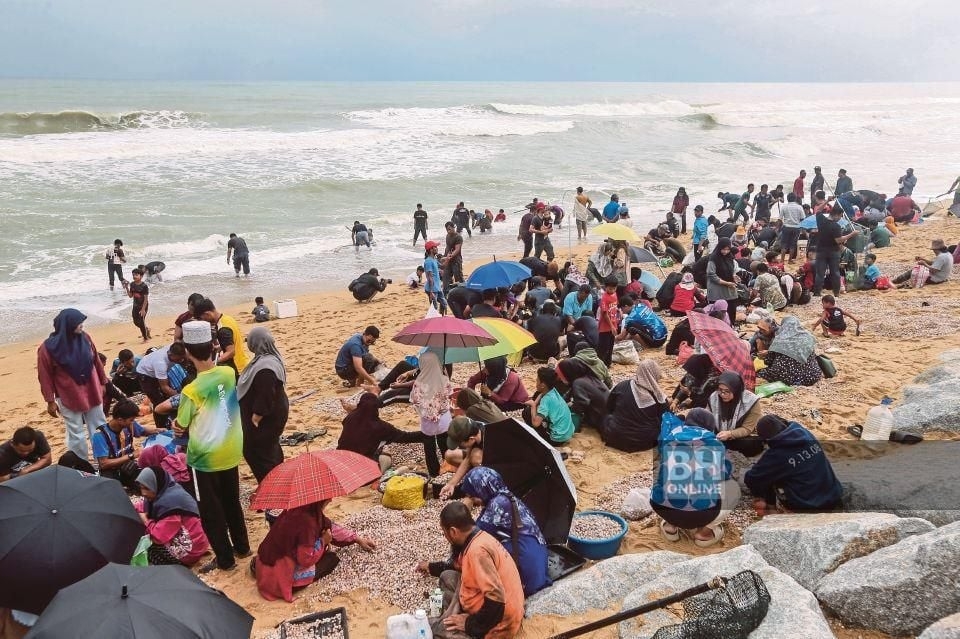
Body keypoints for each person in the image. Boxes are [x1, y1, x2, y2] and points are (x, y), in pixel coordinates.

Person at [173, 320, 249, 573]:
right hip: (231, 450)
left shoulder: (192, 390)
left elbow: (181, 423)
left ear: (187, 352)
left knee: (210, 510)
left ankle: (226, 559)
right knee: (231, 501)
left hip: (205, 458)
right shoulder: (228, 373)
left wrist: (177, 425)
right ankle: (242, 547)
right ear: (213, 346)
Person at [418, 501, 524, 639]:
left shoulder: (477, 552)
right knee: (447, 577)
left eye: (445, 533)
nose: (446, 537)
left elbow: (497, 600)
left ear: (453, 531)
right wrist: (430, 567)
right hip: (496, 604)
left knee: (438, 630)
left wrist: (468, 624)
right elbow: (456, 566)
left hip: (500, 620)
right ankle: (455, 615)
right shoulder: (478, 537)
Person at [253, 500, 376, 603]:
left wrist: (357, 539)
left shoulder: (295, 510)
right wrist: (323, 541)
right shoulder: (308, 522)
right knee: (331, 559)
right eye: (327, 499)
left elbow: (331, 528)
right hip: (279, 579)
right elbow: (305, 559)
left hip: (263, 566)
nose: (331, 500)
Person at [652, 409, 740, 548]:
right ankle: (704, 533)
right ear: (709, 426)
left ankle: (670, 526)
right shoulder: (716, 445)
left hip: (662, 507)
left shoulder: (669, 438)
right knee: (733, 488)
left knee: (666, 480)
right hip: (701, 515)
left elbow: (666, 420)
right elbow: (725, 475)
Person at [459, 467, 551, 598]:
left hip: (527, 569)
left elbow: (471, 537)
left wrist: (463, 511)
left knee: (480, 551)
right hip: (536, 559)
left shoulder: (498, 505)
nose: (473, 501)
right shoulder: (505, 496)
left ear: (482, 489)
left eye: (473, 496)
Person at [37, 308, 108, 461]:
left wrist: (103, 382)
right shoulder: (47, 348)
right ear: (67, 325)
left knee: (99, 426)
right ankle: (81, 463)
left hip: (92, 389)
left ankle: (103, 459)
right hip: (68, 395)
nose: (81, 325)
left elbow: (96, 361)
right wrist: (50, 401)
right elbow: (45, 376)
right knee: (75, 432)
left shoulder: (86, 338)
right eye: (78, 323)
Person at [745, 415, 843, 515]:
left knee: (769, 475)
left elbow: (752, 479)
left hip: (810, 505)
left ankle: (771, 508)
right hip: (834, 494)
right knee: (782, 470)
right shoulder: (804, 433)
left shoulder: (777, 454)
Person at [237, 327, 288, 484]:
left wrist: (257, 416)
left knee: (256, 451)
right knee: (270, 448)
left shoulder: (265, 366)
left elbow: (266, 391)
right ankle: (277, 480)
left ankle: (270, 486)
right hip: (275, 412)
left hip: (266, 418)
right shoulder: (269, 359)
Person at [134, 466, 210, 566]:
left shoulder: (170, 504)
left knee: (146, 546)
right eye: (141, 488)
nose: (143, 493)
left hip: (191, 550)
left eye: (147, 488)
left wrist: (145, 520)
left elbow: (159, 537)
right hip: (198, 542)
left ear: (156, 484)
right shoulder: (166, 491)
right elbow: (143, 505)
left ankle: (180, 565)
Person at [338, 392, 428, 473]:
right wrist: (428, 434)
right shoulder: (380, 427)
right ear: (376, 408)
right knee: (386, 459)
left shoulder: (350, 418)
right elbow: (404, 436)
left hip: (341, 458)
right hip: (362, 466)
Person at [83, 400, 158, 487]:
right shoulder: (100, 435)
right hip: (111, 471)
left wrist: (158, 430)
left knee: (149, 482)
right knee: (111, 489)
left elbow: (143, 431)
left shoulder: (129, 425)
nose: (133, 422)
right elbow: (104, 464)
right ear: (120, 420)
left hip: (128, 466)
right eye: (131, 420)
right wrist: (131, 456)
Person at [599, 360, 667, 452]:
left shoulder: (622, 385)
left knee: (607, 417)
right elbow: (665, 420)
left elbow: (609, 406)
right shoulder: (659, 398)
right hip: (644, 442)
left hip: (615, 437)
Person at [411, 351, 453, 477]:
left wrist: (428, 412)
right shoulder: (445, 379)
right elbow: (448, 396)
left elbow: (415, 401)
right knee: (445, 445)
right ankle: (448, 470)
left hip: (427, 422)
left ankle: (434, 474)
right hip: (444, 421)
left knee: (429, 449)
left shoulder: (418, 383)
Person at [708, 372, 763, 457]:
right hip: (718, 435)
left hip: (739, 436)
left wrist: (730, 434)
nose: (722, 394)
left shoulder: (751, 401)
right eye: (720, 390)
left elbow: (747, 428)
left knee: (751, 445)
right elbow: (707, 418)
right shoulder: (714, 397)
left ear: (736, 390)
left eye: (727, 391)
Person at [757, 316, 823, 387]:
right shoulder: (808, 337)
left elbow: (769, 361)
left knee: (761, 372)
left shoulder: (780, 338)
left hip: (785, 377)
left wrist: (766, 355)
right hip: (810, 376)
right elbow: (812, 355)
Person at [135, 342, 188, 430]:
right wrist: (181, 397)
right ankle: (161, 427)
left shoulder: (175, 349)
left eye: (182, 358)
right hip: (145, 374)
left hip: (155, 368)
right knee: (158, 401)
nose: (181, 361)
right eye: (179, 359)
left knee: (169, 396)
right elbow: (165, 387)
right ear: (171, 354)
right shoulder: (161, 363)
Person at [194, 298, 249, 376]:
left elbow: (231, 352)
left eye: (203, 319)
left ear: (207, 314)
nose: (205, 322)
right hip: (243, 360)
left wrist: (215, 362)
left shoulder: (223, 330)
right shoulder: (227, 319)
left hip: (237, 367)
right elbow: (233, 340)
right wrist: (221, 347)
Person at [813, 205, 859, 297]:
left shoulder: (821, 220)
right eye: (840, 216)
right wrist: (852, 234)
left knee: (820, 273)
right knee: (835, 273)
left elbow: (818, 210)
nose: (840, 218)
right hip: (833, 251)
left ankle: (817, 292)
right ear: (837, 215)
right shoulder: (836, 226)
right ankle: (836, 293)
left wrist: (827, 200)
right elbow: (839, 240)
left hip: (821, 250)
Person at [555, 357, 609, 429]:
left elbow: (581, 403)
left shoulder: (578, 383)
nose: (561, 379)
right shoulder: (589, 378)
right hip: (607, 417)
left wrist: (566, 409)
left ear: (568, 373)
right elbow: (569, 394)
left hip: (599, 421)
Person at [526, 367, 574, 446]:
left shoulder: (546, 400)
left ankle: (538, 439)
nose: (536, 382)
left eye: (537, 380)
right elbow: (541, 394)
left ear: (542, 385)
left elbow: (535, 423)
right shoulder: (553, 390)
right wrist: (535, 403)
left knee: (527, 412)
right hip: (567, 433)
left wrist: (533, 406)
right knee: (537, 411)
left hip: (557, 439)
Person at [705, 238, 740, 325]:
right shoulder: (713, 258)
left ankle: (730, 326)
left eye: (728, 249)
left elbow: (730, 270)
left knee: (731, 308)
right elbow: (711, 274)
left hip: (729, 288)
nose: (725, 251)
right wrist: (726, 283)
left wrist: (734, 276)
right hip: (717, 289)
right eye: (723, 249)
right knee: (718, 311)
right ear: (719, 247)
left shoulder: (730, 257)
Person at [596, 276, 620, 367]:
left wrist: (618, 312)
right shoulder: (604, 298)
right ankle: (600, 365)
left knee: (611, 345)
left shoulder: (614, 295)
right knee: (603, 347)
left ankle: (608, 363)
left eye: (614, 288)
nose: (612, 290)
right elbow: (605, 314)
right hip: (605, 327)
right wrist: (612, 326)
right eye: (610, 288)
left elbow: (615, 307)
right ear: (606, 287)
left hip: (613, 323)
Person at [421, 240, 447, 315]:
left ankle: (443, 318)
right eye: (435, 247)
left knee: (444, 304)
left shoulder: (434, 259)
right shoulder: (428, 261)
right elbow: (430, 277)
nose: (437, 248)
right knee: (434, 308)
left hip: (437, 287)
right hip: (432, 289)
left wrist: (448, 258)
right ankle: (435, 320)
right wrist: (431, 291)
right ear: (431, 250)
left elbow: (442, 266)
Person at [780, 192, 805, 263]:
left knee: (784, 244)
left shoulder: (784, 207)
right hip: (796, 228)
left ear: (787, 199)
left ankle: (782, 260)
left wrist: (778, 227)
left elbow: (780, 219)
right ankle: (790, 260)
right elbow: (802, 218)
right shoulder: (799, 207)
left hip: (786, 227)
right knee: (792, 244)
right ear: (795, 199)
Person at [127, 268, 150, 341]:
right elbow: (130, 296)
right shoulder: (132, 284)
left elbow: (146, 298)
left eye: (136, 275)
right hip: (135, 306)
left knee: (141, 322)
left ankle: (145, 338)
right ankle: (146, 329)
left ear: (141, 276)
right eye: (133, 275)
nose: (134, 276)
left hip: (143, 306)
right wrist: (126, 288)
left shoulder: (144, 286)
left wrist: (143, 309)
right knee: (135, 322)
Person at [443, 222, 465, 289]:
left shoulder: (458, 237)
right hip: (448, 260)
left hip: (456, 261)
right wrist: (445, 257)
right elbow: (447, 247)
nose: (448, 231)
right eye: (447, 230)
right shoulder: (447, 236)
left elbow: (457, 249)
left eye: (449, 229)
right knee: (446, 277)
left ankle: (463, 291)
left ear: (453, 227)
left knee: (458, 278)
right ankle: (447, 292)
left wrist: (450, 256)